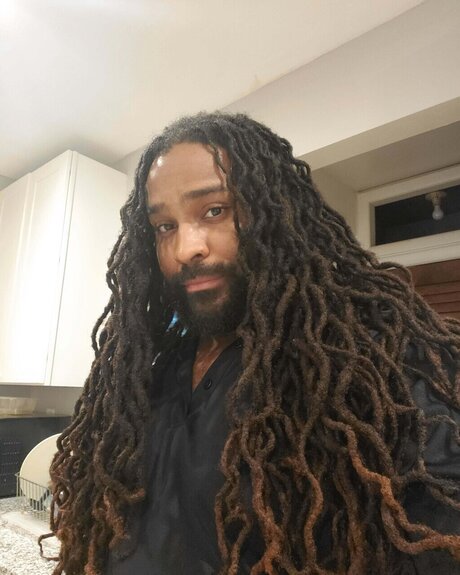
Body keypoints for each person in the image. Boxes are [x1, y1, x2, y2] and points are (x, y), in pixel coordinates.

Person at [44, 113, 460, 574]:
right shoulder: (154, 372)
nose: (185, 248)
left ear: (276, 214)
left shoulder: (376, 364)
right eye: (164, 226)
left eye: (214, 210)